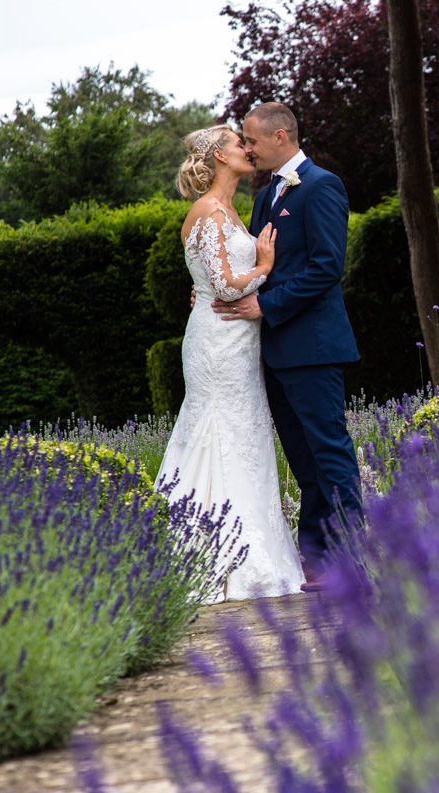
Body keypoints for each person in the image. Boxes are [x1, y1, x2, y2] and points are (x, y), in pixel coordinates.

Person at [212, 103, 363, 593]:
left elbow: (326, 268)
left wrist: (266, 306)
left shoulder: (321, 186)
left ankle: (350, 558)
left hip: (313, 347)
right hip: (275, 350)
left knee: (330, 452)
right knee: (304, 460)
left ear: (281, 136)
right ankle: (316, 561)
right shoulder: (268, 194)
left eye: (251, 140)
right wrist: (218, 289)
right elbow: (258, 263)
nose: (247, 148)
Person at [157, 124, 305, 602]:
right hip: (219, 342)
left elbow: (211, 278)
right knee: (217, 433)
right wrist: (263, 266)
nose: (247, 148)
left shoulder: (230, 212)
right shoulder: (207, 210)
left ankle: (243, 550)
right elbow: (222, 287)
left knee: (243, 437)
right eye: (238, 144)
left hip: (237, 342)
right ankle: (206, 557)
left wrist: (245, 273)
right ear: (219, 156)